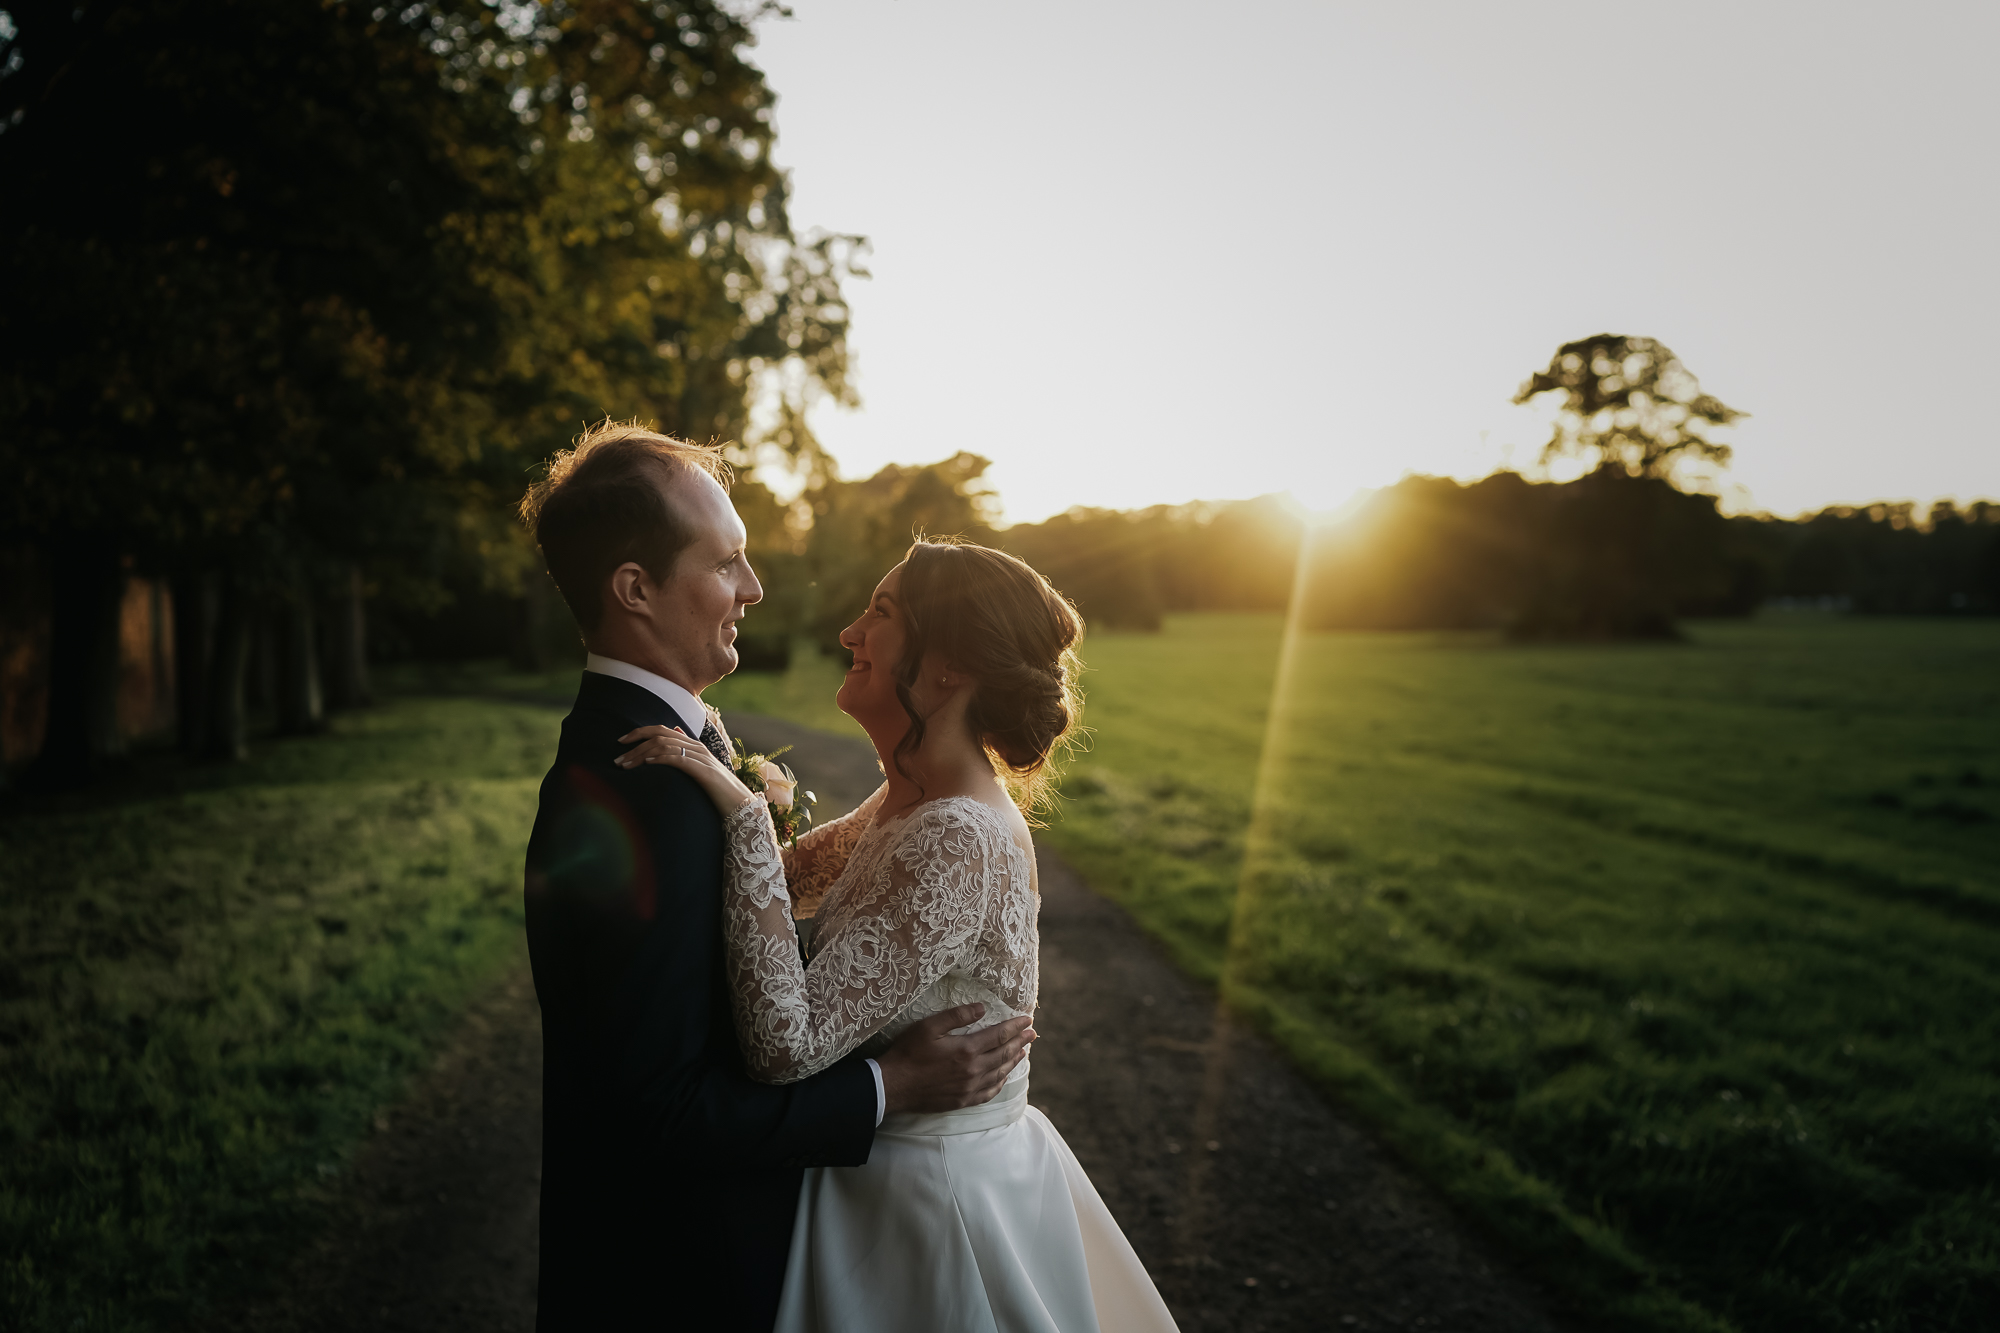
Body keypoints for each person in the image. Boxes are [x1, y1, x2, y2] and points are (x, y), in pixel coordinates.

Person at [517, 424, 1036, 1332]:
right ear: (635, 590)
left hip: (892, 1227)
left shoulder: (682, 750)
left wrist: (749, 810)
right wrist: (889, 1087)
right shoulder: (640, 794)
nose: (755, 589)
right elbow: (656, 1107)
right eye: (727, 564)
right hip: (671, 1281)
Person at [617, 537, 1180, 1333]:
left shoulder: (957, 831)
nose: (850, 632)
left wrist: (743, 809)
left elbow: (788, 1043)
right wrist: (729, 803)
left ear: (948, 666)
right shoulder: (907, 799)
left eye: (880, 613)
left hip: (932, 1208)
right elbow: (776, 885)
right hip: (879, 1176)